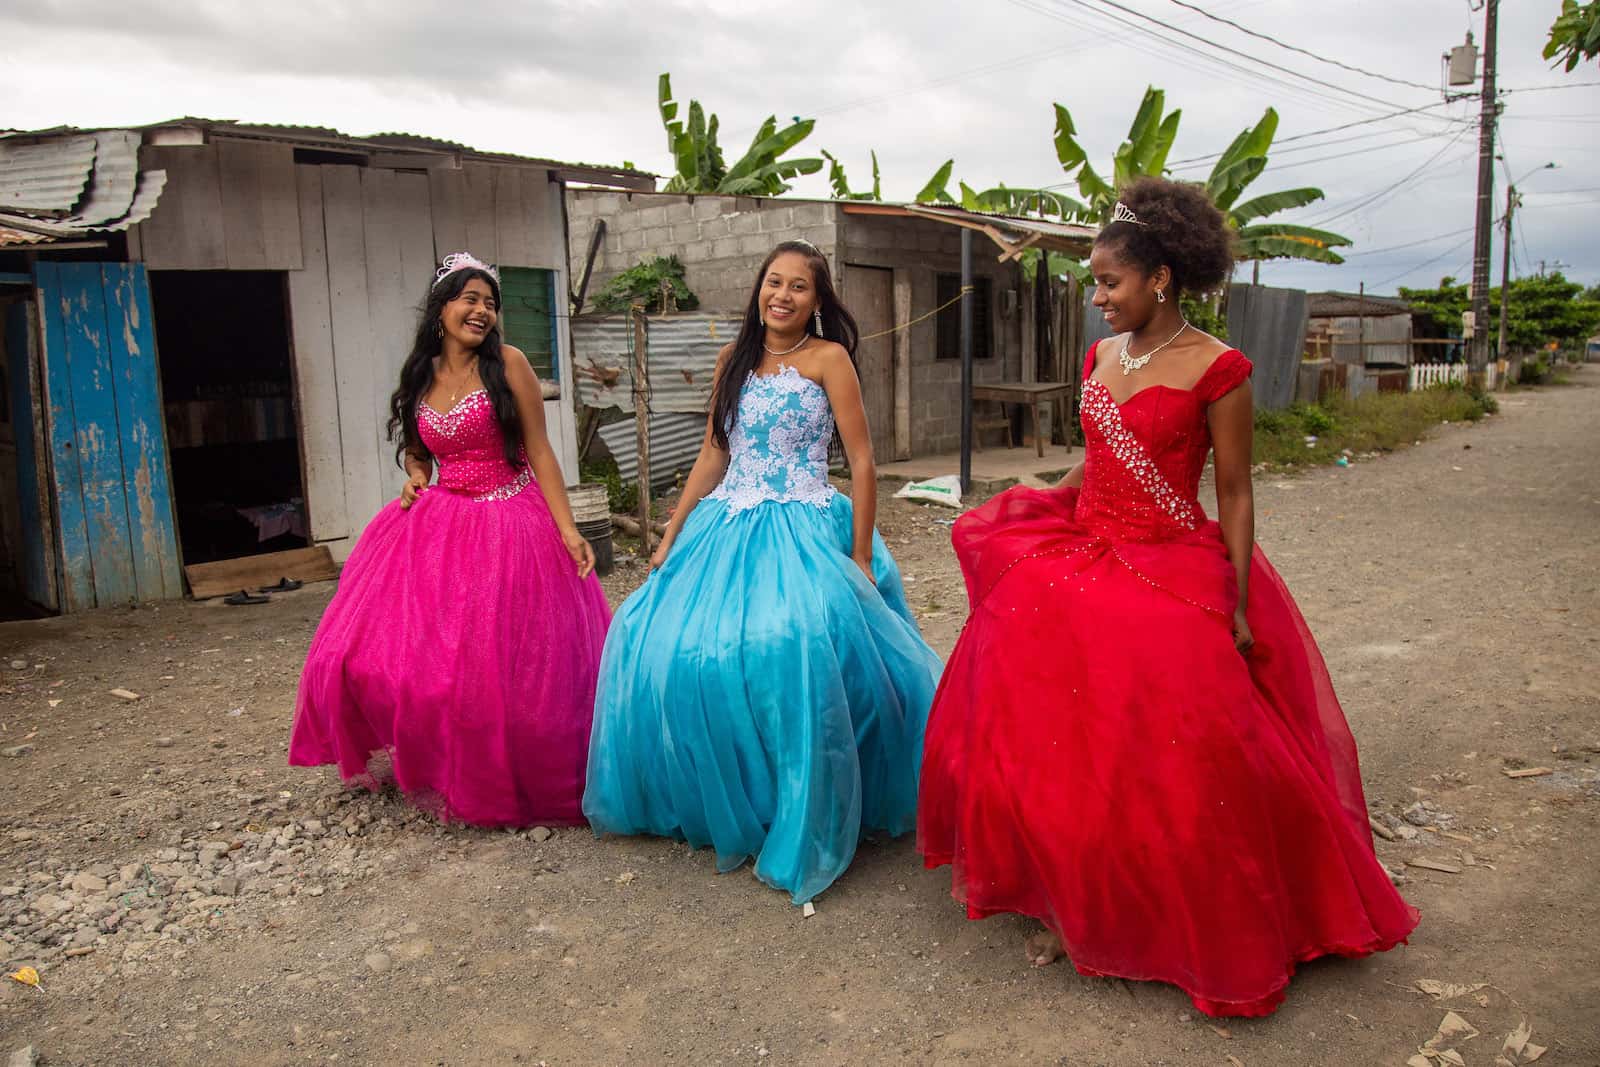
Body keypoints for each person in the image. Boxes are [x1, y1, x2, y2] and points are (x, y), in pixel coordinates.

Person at [917, 179, 1419, 1017]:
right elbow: (1098, 464)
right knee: (1055, 711)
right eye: (1095, 284)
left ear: (1161, 279)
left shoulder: (1221, 369)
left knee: (1179, 731)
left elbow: (1235, 491)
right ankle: (1073, 892)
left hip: (1172, 556)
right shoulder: (1099, 358)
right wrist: (1047, 496)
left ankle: (1193, 905)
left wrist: (1239, 593)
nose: (1099, 298)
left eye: (1110, 282)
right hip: (1090, 541)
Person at [583, 241, 943, 905]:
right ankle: (717, 797)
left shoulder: (828, 360)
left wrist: (860, 555)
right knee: (655, 638)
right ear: (759, 289)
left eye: (798, 286)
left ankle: (812, 800)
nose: (782, 295)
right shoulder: (734, 360)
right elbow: (714, 452)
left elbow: (862, 462)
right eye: (773, 282)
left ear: (817, 299)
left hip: (806, 523)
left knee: (797, 648)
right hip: (728, 521)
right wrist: (674, 527)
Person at [290, 253, 610, 826]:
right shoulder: (421, 372)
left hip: (513, 520)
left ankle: (512, 768)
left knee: (512, 663)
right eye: (470, 299)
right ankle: (441, 759)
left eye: (490, 303)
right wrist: (415, 478)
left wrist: (568, 530)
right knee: (384, 655)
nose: (481, 311)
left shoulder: (508, 365)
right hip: (440, 523)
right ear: (441, 308)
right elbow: (418, 450)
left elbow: (539, 450)